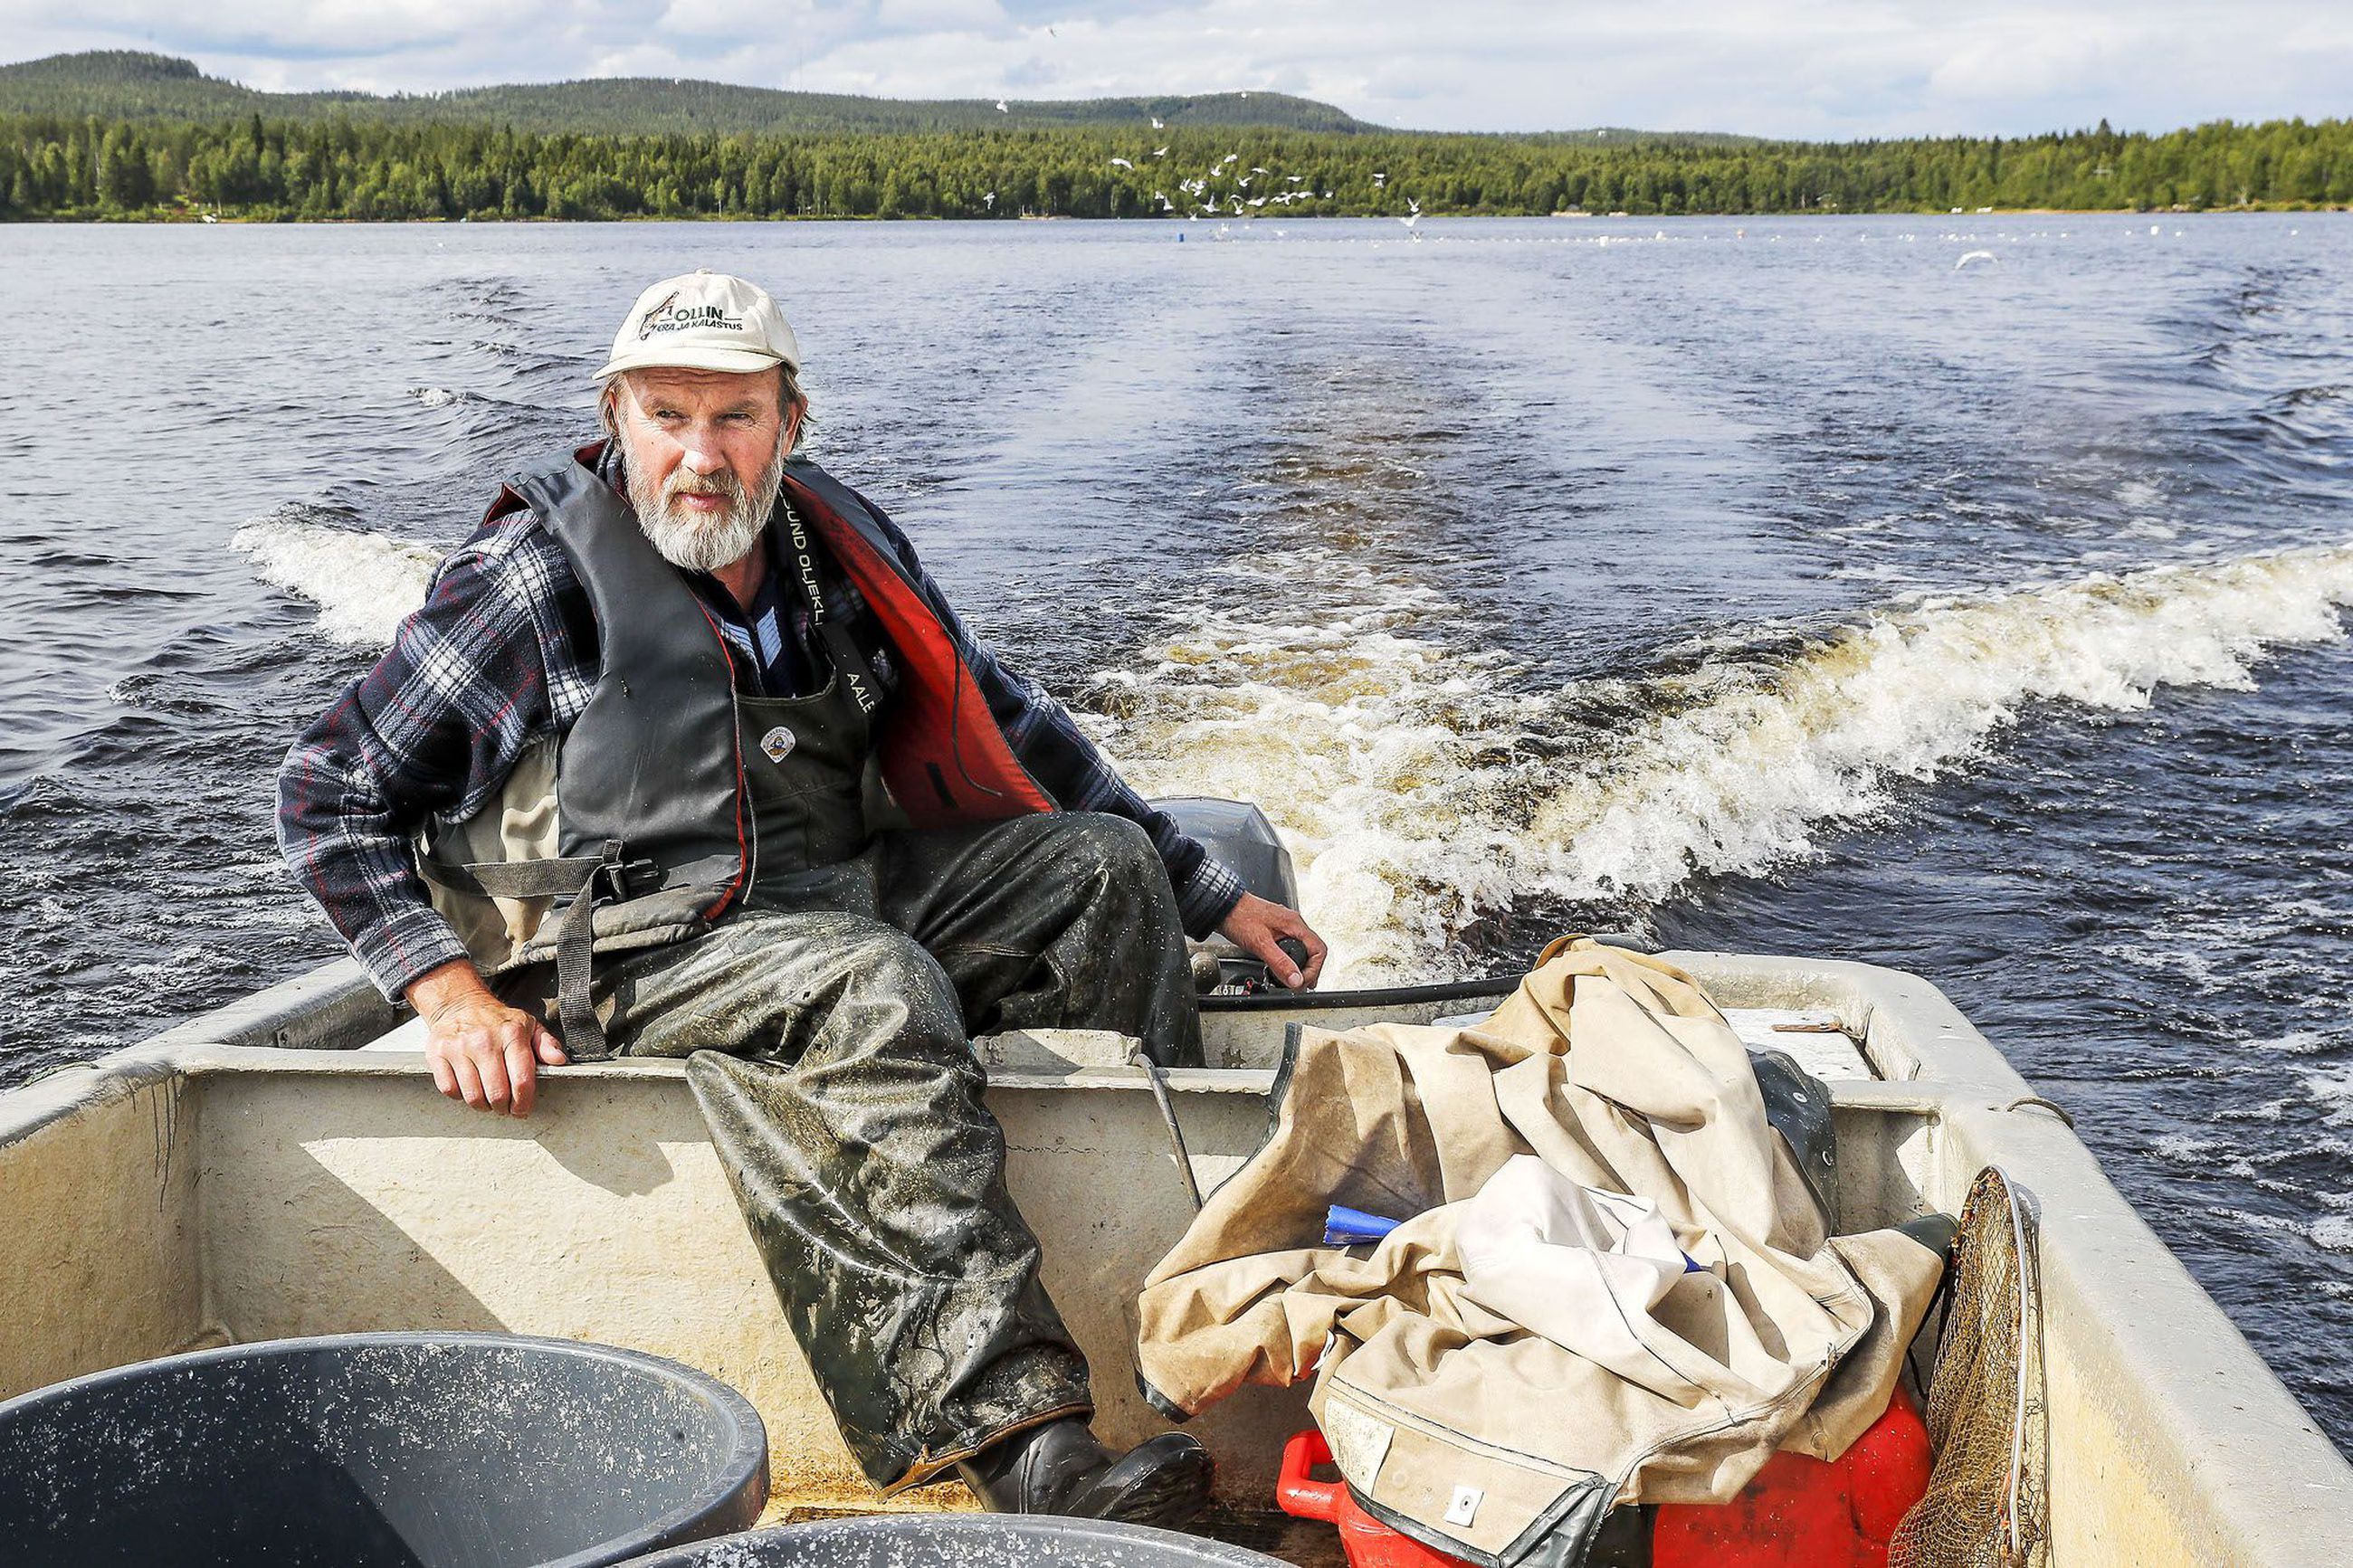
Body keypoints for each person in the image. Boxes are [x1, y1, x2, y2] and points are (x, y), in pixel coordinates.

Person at [275, 270, 1327, 1528]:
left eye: (735, 419)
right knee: (871, 983)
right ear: (616, 415)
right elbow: (331, 789)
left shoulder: (833, 547)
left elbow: (1009, 718)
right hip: (629, 942)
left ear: (792, 422)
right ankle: (1023, 1445)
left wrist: (1207, 892)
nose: (699, 457)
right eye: (667, 416)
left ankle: (1180, 1342)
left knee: (1097, 873)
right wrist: (443, 992)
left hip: (828, 891)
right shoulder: (533, 579)